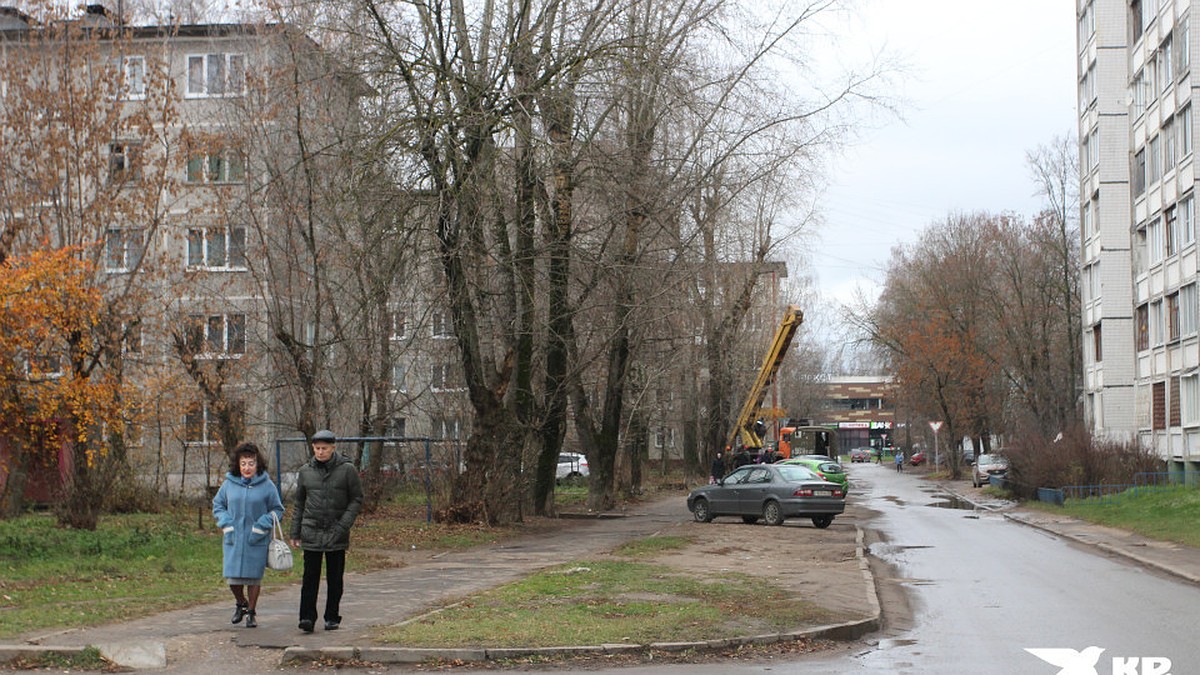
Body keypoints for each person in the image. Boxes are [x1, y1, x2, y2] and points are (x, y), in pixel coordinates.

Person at [290, 429, 364, 633]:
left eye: (324, 448)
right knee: (310, 577)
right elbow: (299, 503)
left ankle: (332, 616)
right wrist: (295, 532)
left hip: (336, 530)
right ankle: (307, 617)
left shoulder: (347, 469)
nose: (320, 452)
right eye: (317, 448)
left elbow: (356, 498)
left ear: (333, 448)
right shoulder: (305, 471)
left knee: (335, 577)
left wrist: (343, 526)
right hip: (311, 529)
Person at [212, 442, 284, 629]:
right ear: (238, 464)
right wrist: (226, 524)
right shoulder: (228, 484)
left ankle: (251, 612)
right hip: (233, 538)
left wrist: (262, 525)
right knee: (232, 578)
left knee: (254, 578)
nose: (247, 467)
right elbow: (218, 505)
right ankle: (241, 603)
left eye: (251, 463)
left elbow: (277, 510)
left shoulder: (267, 485)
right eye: (243, 463)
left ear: (257, 464)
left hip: (256, 539)